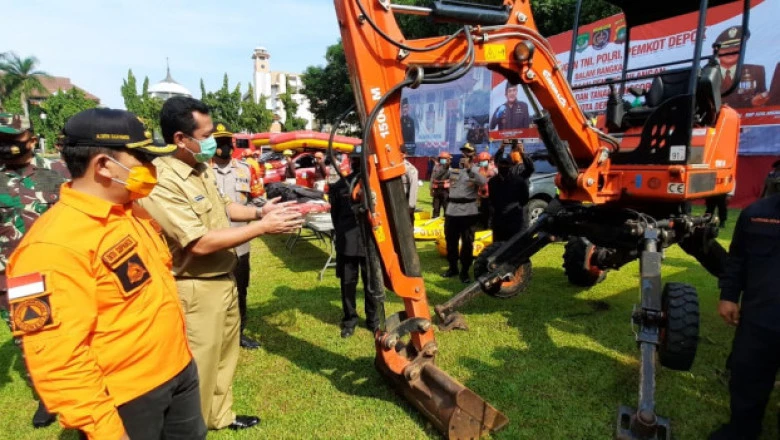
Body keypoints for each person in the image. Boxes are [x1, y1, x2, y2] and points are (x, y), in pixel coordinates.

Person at [6, 108, 207, 440]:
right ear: (103, 165)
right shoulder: (49, 248)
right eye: (143, 157)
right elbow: (57, 360)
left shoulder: (129, 210)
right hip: (128, 397)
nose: (152, 168)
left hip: (178, 368)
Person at [138, 97, 303, 431]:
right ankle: (191, 428)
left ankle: (219, 416)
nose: (214, 140)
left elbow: (225, 206)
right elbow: (198, 243)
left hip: (224, 279)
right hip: (195, 287)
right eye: (207, 133)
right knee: (199, 365)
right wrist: (263, 228)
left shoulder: (201, 169)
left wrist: (259, 212)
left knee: (225, 358)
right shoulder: (163, 180)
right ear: (181, 139)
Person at [0, 117, 66, 429]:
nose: (7, 143)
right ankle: (47, 396)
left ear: (30, 138)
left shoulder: (58, 171)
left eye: (13, 136)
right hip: (12, 274)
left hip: (59, 269)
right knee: (29, 336)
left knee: (69, 330)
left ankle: (79, 385)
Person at [711, 190, 780, 440]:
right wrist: (728, 295)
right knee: (747, 377)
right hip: (759, 319)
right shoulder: (756, 214)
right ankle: (742, 430)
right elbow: (737, 258)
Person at [211, 123, 264, 350]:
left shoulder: (245, 169)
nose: (225, 147)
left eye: (227, 141)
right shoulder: (202, 172)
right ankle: (216, 337)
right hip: (214, 244)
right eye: (219, 142)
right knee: (214, 291)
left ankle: (239, 333)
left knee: (240, 289)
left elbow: (257, 197)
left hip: (241, 243)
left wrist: (263, 210)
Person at [328, 148, 379, 338]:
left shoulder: (376, 185)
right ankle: (350, 319)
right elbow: (335, 216)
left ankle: (373, 320)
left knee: (371, 284)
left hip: (370, 242)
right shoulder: (341, 185)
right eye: (356, 160)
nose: (358, 164)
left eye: (360, 160)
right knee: (348, 283)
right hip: (348, 243)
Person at [441, 143, 487, 283]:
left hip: (468, 210)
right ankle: (452, 267)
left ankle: (465, 271)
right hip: (452, 209)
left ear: (474, 155)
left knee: (467, 242)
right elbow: (439, 175)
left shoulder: (477, 169)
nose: (465, 155)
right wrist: (445, 165)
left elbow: (482, 181)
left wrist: (469, 170)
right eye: (463, 152)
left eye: (469, 152)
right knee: (450, 241)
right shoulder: (454, 169)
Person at [489, 140, 535, 242]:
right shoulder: (494, 180)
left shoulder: (521, 171)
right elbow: (498, 162)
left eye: (516, 150)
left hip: (516, 214)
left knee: (517, 243)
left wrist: (522, 152)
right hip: (500, 217)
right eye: (513, 150)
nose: (504, 166)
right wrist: (501, 148)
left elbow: (530, 168)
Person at [716, 26, 768, 109]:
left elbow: (763, 99)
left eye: (735, 47)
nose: (730, 51)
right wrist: (750, 102)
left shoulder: (757, 71)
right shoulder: (707, 75)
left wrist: (761, 99)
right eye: (725, 48)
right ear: (716, 51)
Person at [475, 151, 494, 229]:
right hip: (483, 196)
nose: (482, 162)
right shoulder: (480, 169)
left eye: (484, 161)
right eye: (481, 161)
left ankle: (490, 228)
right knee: (484, 212)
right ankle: (485, 227)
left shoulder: (493, 169)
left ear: (488, 160)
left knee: (491, 213)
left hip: (492, 196)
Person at [400, 144, 419, 220]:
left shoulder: (409, 168)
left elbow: (414, 186)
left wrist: (411, 205)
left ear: (404, 154)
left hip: (405, 200)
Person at [430, 151, 451, 218]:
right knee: (436, 207)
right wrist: (431, 189)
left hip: (445, 190)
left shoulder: (450, 169)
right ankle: (434, 219)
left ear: (448, 160)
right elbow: (432, 178)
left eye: (444, 158)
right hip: (436, 189)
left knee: (446, 207)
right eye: (441, 158)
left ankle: (446, 221)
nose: (442, 160)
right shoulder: (436, 167)